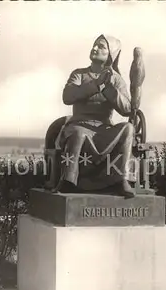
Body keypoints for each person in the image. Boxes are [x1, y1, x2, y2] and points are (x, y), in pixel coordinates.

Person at [54, 34, 136, 198]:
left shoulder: (116, 79)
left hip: (103, 129)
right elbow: (68, 97)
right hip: (78, 125)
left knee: (128, 128)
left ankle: (122, 179)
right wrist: (96, 85)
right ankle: (68, 180)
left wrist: (109, 89)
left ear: (110, 55)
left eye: (101, 46)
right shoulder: (79, 74)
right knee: (78, 133)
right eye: (94, 45)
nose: (95, 48)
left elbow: (127, 109)